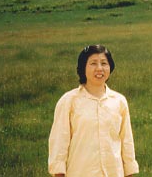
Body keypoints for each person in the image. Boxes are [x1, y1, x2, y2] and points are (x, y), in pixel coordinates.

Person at [48, 45, 139, 177]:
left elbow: (127, 143)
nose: (99, 69)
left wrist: (129, 172)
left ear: (110, 67)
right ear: (83, 67)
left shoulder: (119, 101)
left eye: (104, 63)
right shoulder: (69, 101)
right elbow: (59, 144)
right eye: (93, 63)